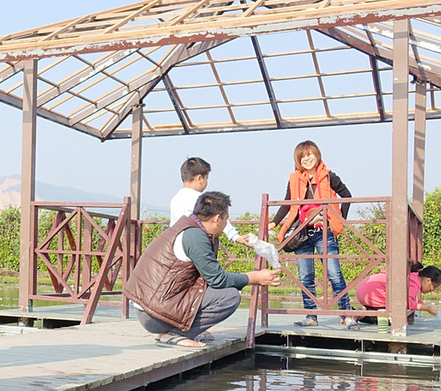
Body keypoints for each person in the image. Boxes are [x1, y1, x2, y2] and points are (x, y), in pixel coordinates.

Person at [124, 191, 280, 348]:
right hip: (154, 315)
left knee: (221, 290)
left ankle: (182, 329)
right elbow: (217, 279)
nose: (226, 224)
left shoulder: (188, 227)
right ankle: (176, 334)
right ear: (217, 218)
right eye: (226, 219)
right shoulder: (195, 236)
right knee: (230, 296)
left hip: (152, 308)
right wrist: (254, 278)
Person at [271, 140, 356, 327]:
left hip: (324, 230)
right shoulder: (294, 178)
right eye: (303, 156)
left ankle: (347, 314)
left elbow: (347, 195)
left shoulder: (328, 175)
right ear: (298, 160)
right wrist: (275, 222)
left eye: (309, 155)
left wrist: (339, 219)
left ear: (316, 155)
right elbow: (288, 202)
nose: (307, 159)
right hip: (302, 232)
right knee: (305, 276)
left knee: (334, 273)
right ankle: (311, 316)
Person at [169, 157, 255, 247]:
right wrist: (235, 236)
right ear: (199, 179)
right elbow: (218, 217)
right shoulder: (200, 199)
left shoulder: (175, 199)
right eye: (206, 178)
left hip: (178, 244)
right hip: (196, 244)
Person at [353, 264, 441, 324]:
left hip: (364, 290)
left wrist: (423, 304)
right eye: (434, 286)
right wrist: (427, 308)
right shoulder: (414, 283)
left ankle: (364, 310)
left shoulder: (413, 277)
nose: (432, 290)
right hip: (371, 293)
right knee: (392, 320)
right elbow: (407, 303)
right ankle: (363, 314)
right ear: (427, 280)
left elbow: (410, 299)